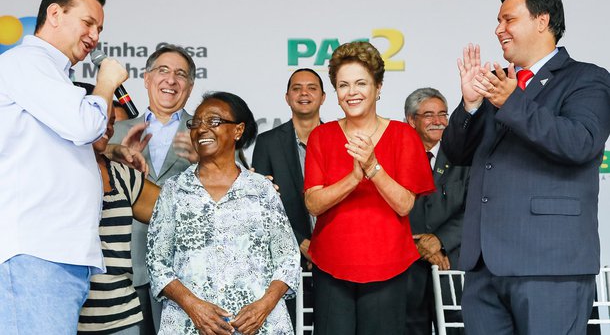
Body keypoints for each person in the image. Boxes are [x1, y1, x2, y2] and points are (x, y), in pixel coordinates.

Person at [442, 0, 610, 334]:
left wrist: (512, 102)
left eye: (508, 19)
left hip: (550, 264)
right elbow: (457, 154)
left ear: (541, 20)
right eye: (498, 21)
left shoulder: (587, 79)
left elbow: (581, 143)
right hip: (485, 266)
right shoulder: (500, 86)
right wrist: (471, 104)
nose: (498, 29)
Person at [0, 0, 131, 334]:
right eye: (88, 22)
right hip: (37, 251)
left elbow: (56, 141)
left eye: (100, 28)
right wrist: (104, 84)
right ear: (55, 14)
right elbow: (83, 124)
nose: (95, 36)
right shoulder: (26, 61)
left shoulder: (52, 74)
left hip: (56, 254)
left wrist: (114, 148)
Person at [303, 41, 435, 334]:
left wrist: (374, 168)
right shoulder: (322, 136)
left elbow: (404, 205)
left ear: (378, 87)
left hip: (387, 265)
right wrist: (353, 178)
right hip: (331, 264)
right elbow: (313, 204)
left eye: (361, 83)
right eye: (343, 85)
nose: (352, 92)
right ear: (335, 93)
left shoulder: (403, 136)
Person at [146, 92, 301, 335]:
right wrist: (192, 306)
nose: (202, 129)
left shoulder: (262, 189)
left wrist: (264, 305)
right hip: (189, 325)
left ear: (238, 130)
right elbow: (157, 263)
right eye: (196, 123)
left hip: (259, 326)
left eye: (214, 121)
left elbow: (288, 259)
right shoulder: (174, 190)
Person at [110, 44, 197, 333]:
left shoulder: (206, 133)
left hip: (186, 272)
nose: (171, 80)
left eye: (180, 74)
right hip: (124, 266)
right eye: (163, 71)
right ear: (147, 79)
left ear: (190, 85)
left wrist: (205, 163)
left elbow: (232, 185)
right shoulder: (114, 135)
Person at [252, 68, 325, 329]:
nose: (304, 93)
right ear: (287, 97)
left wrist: (324, 246)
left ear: (323, 97)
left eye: (311, 88)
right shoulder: (268, 142)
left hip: (334, 255)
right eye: (297, 88)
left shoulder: (339, 140)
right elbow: (261, 206)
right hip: (286, 258)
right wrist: (301, 243)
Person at [78, 107, 161, 334]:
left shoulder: (122, 174)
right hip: (67, 315)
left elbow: (175, 212)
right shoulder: (50, 171)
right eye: (101, 119)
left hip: (121, 318)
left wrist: (245, 193)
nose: (108, 128)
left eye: (112, 122)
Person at [404, 87, 469, 335]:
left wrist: (440, 241)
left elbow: (475, 208)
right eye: (429, 115)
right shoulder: (393, 159)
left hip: (452, 264)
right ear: (411, 120)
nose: (438, 121)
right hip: (407, 268)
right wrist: (420, 245)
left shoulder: (464, 156)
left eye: (443, 114)